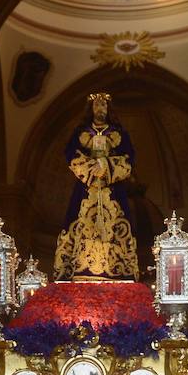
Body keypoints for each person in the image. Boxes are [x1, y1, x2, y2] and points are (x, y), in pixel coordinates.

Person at [53, 92, 140, 280]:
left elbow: (129, 157)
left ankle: (116, 268)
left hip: (112, 190)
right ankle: (79, 266)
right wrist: (89, 167)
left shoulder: (119, 134)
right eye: (96, 105)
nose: (100, 109)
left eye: (103, 106)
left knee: (115, 224)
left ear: (108, 109)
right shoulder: (80, 133)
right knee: (79, 222)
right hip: (86, 189)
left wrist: (106, 166)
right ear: (91, 109)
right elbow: (70, 153)